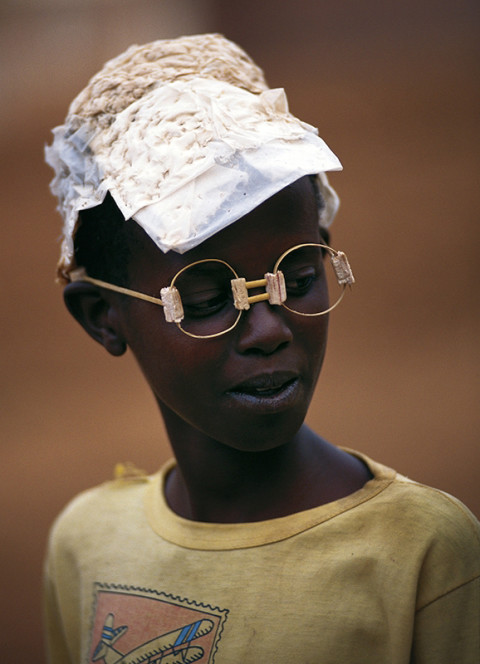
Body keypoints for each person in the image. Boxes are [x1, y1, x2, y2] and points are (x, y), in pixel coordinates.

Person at [43, 34, 479, 664]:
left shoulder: (423, 553)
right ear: (104, 318)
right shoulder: (85, 546)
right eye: (206, 302)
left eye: (298, 280)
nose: (270, 329)